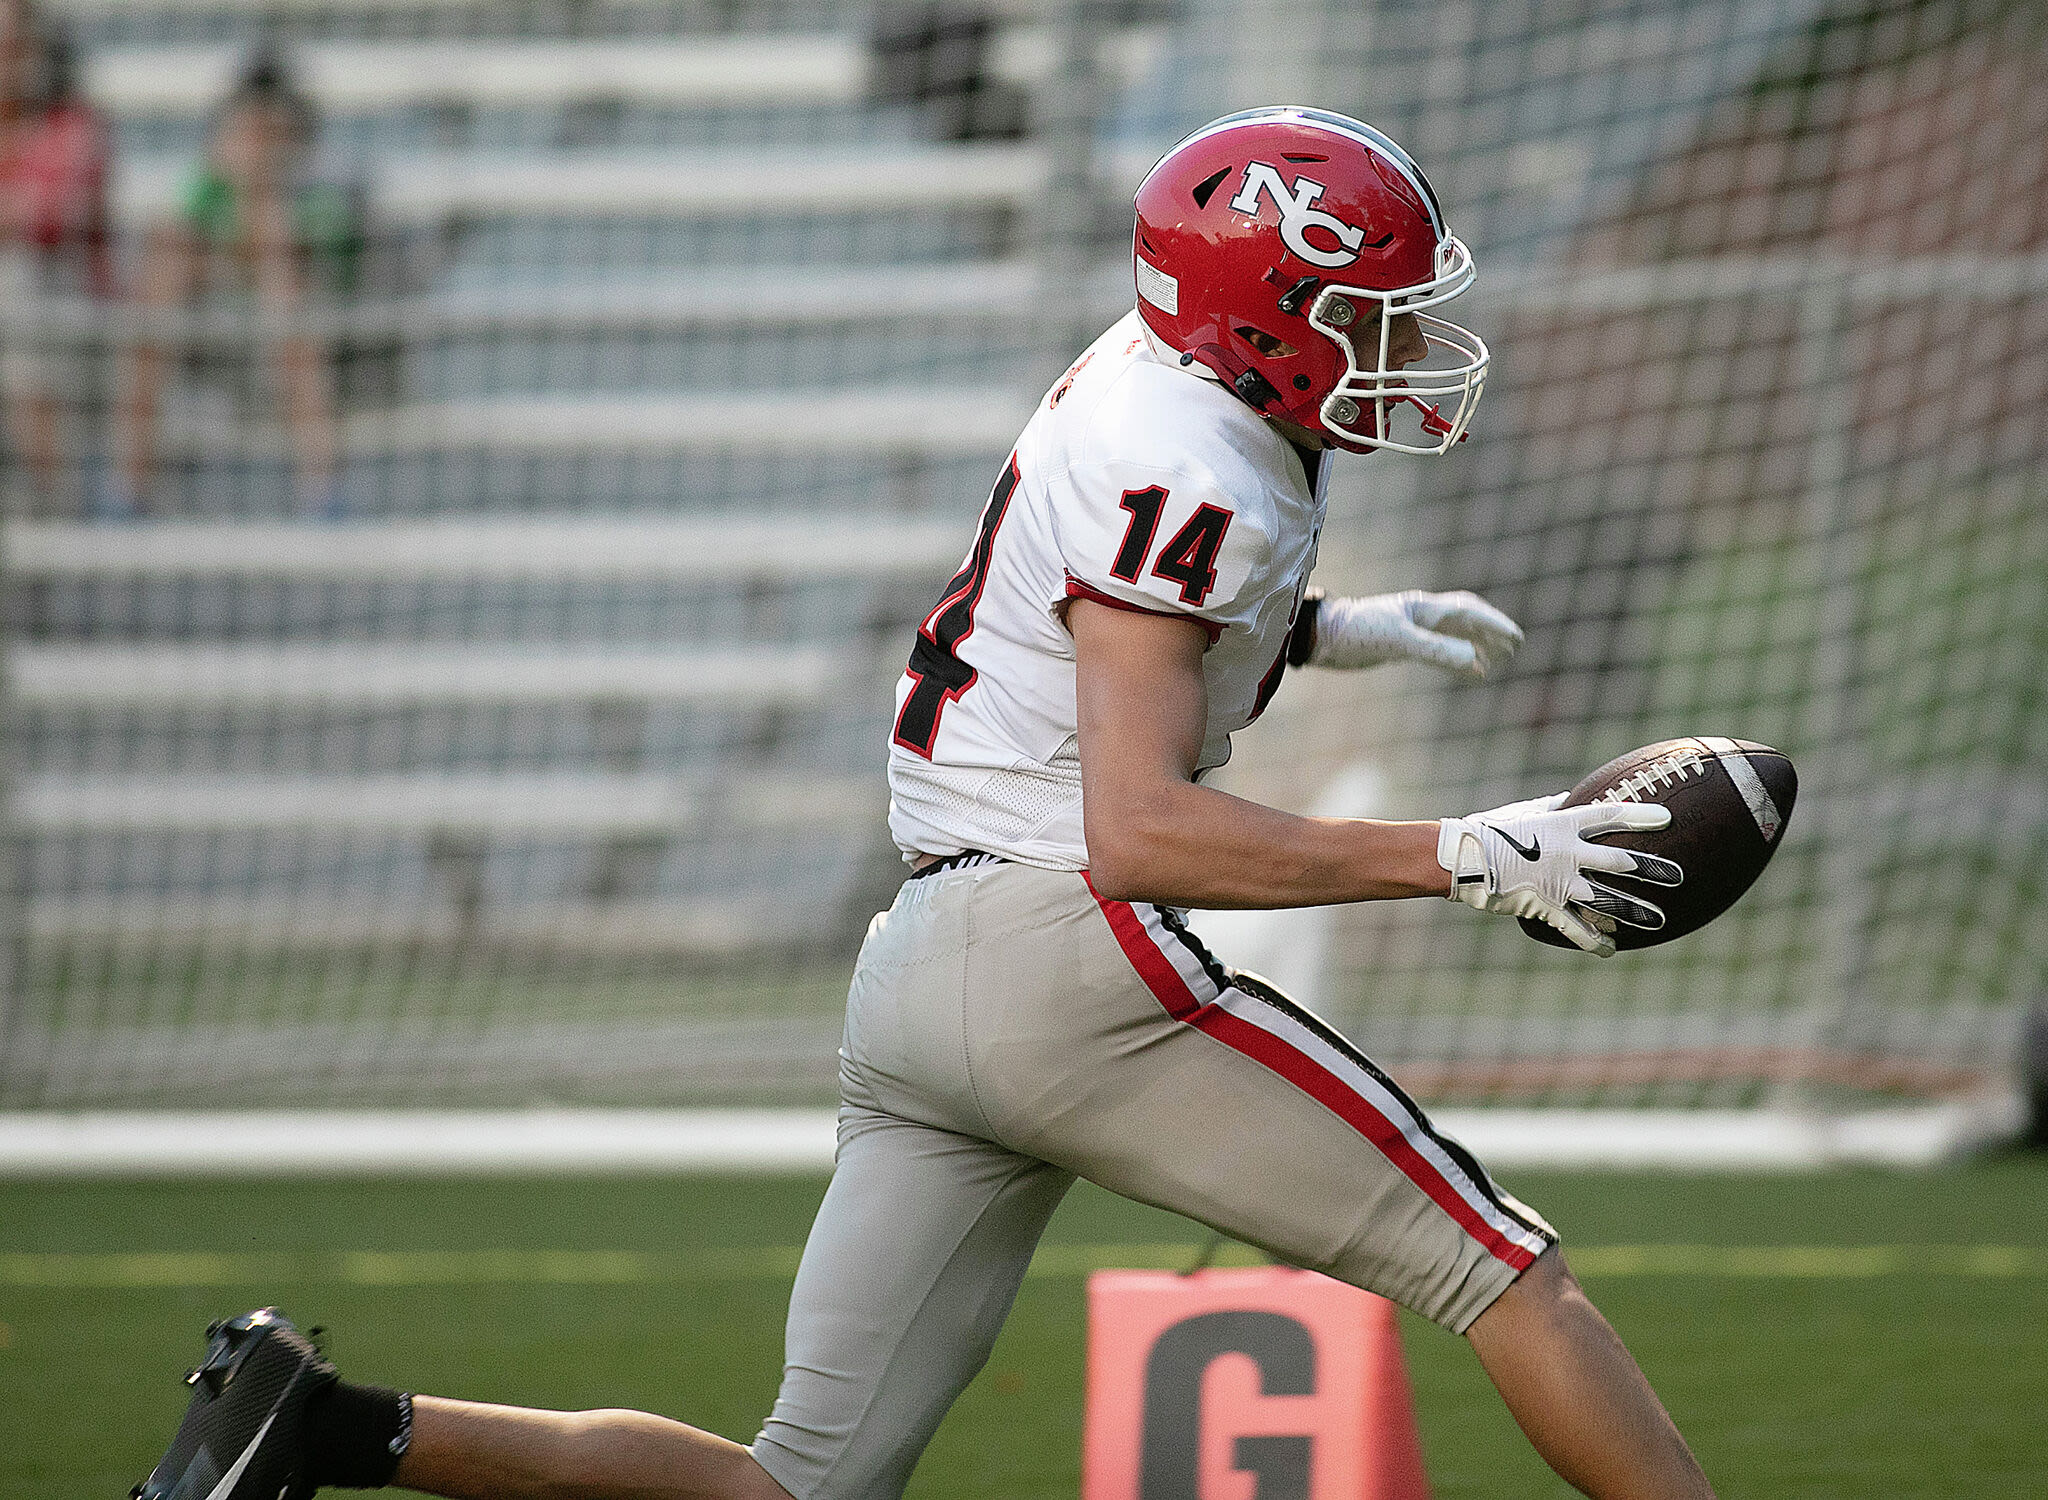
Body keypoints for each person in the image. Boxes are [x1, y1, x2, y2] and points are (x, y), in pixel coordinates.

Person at [135, 108, 1711, 1500]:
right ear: (1267, 318)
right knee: (1503, 1271)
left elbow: (1081, 625)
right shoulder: (1203, 465)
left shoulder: (1147, 373)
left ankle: (326, 1430)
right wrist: (1470, 855)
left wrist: (1329, 628)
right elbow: (1144, 829)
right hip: (1066, 966)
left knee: (795, 1488)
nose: (1403, 350)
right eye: (1367, 316)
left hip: (923, 976)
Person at [108, 45, 353, 518]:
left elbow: (304, 261)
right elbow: (174, 240)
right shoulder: (207, 184)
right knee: (160, 284)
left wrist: (263, 200)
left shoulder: (318, 189)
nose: (256, 143)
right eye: (246, 129)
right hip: (217, 340)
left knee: (287, 295)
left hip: (324, 345)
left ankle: (323, 487)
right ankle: (128, 485)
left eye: (268, 131)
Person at [0, 8, 113, 511]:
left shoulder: (73, 122)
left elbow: (49, 218)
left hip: (73, 308)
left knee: (15, 281)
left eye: (16, 46)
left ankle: (55, 501)